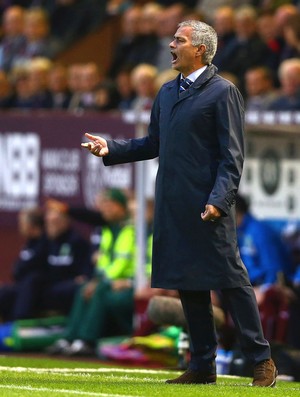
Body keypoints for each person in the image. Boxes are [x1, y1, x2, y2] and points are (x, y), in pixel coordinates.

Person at [82, 20, 277, 387]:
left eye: (179, 40)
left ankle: (261, 359)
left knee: (232, 282)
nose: (171, 45)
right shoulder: (167, 92)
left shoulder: (223, 92)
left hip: (209, 206)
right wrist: (112, 148)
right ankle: (203, 364)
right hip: (173, 206)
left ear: (200, 49)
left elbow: (232, 156)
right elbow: (153, 143)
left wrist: (220, 200)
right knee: (189, 284)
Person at [46, 188, 136, 356]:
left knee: (98, 289)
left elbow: (121, 264)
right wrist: (96, 279)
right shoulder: (108, 230)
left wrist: (102, 281)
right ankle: (70, 338)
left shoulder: (130, 229)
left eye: (109, 205)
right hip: (110, 280)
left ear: (121, 207)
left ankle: (86, 340)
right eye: (104, 206)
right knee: (84, 287)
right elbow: (104, 263)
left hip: (128, 282)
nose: (105, 209)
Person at [0, 207, 48, 321]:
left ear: (32, 225)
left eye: (22, 223)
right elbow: (17, 269)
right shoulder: (30, 243)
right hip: (21, 286)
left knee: (30, 281)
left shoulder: (46, 243)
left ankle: (17, 325)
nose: (19, 227)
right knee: (3, 293)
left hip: (36, 289)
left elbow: (26, 268)